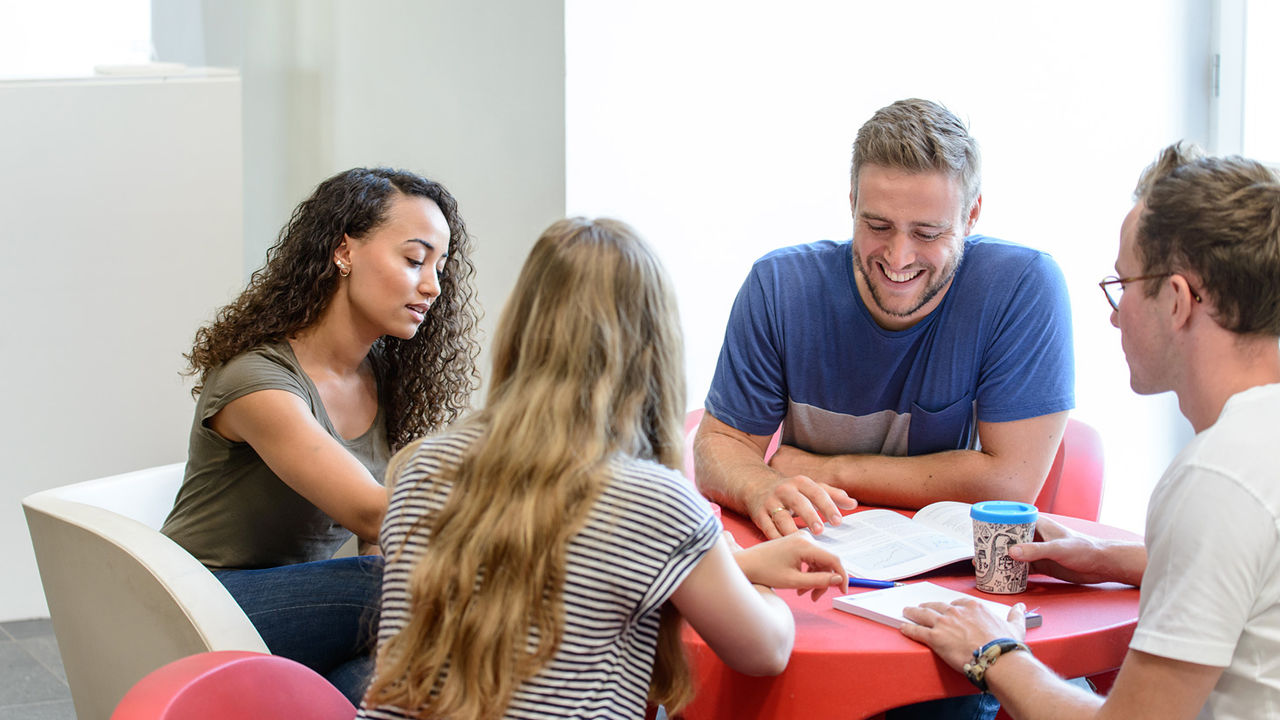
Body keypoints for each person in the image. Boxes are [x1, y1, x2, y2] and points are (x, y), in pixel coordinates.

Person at [358, 218, 849, 720]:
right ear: (651, 348)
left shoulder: (421, 467)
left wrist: (726, 566)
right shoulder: (650, 499)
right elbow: (765, 651)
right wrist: (756, 590)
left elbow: (544, 568)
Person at [900, 143, 1280, 720]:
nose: (1114, 313)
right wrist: (1105, 558)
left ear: (1176, 300)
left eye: (1123, 285)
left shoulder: (1217, 476)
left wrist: (994, 653)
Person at [160, 167, 480, 703]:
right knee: (394, 590)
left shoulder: (383, 377)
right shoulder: (256, 382)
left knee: (395, 674)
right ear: (344, 251)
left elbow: (382, 540)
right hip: (197, 608)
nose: (433, 285)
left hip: (296, 613)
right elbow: (374, 512)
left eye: (440, 267)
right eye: (413, 259)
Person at [694, 98, 1074, 545]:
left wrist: (831, 470)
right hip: (811, 551)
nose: (899, 258)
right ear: (852, 202)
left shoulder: (1021, 286)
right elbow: (718, 446)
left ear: (970, 216)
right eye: (877, 225)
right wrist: (760, 485)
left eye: (927, 234)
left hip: (948, 571)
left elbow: (1010, 482)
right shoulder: (779, 287)